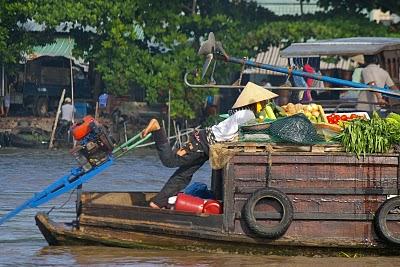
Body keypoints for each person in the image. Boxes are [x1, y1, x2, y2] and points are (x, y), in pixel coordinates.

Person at [141, 82, 278, 209]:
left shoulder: (243, 113)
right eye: (264, 102)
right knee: (170, 161)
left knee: (184, 175)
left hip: (205, 144)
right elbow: (248, 133)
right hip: (201, 143)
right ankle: (157, 129)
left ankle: (158, 202)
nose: (265, 104)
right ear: (257, 102)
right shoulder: (247, 115)